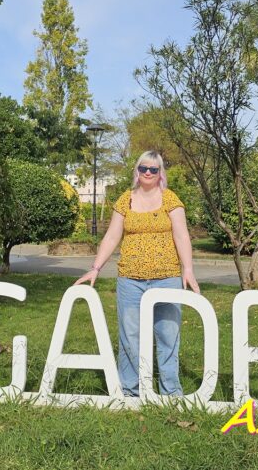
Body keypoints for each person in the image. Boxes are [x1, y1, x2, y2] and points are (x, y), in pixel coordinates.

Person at [74, 150, 200, 398]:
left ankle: (170, 392)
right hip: (130, 280)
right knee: (130, 337)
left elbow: (182, 235)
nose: (148, 173)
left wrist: (188, 270)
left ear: (160, 173)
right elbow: (112, 236)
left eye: (154, 169)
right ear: (137, 170)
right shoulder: (125, 200)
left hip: (166, 278)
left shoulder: (170, 199)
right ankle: (130, 391)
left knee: (167, 335)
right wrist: (95, 268)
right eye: (144, 168)